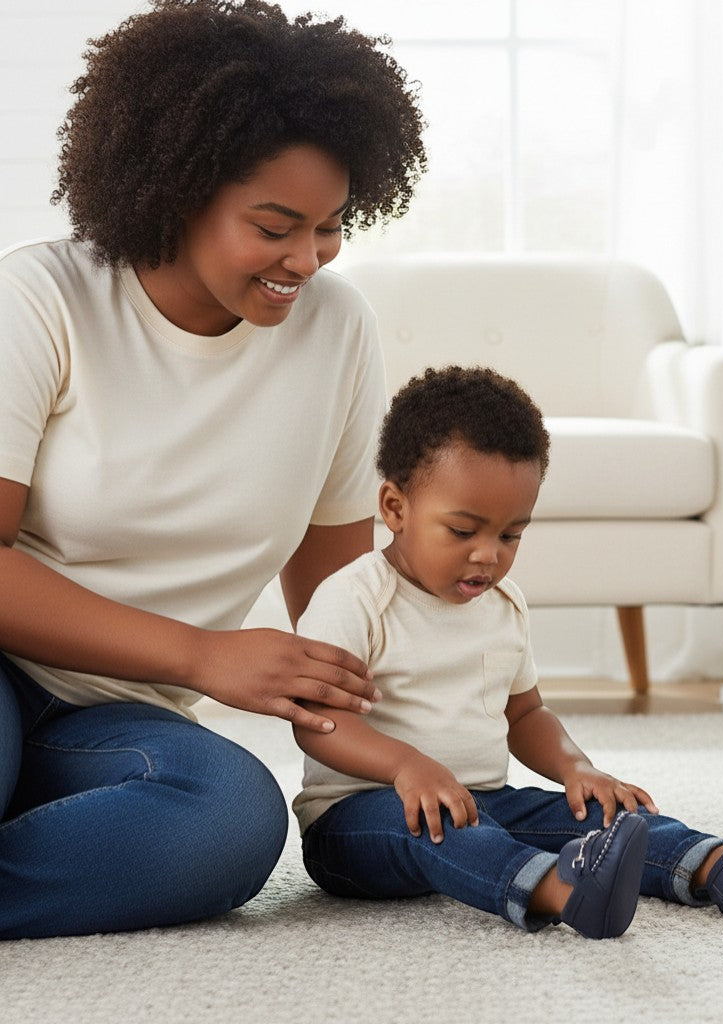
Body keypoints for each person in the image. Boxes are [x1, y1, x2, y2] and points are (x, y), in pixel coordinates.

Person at [0, 0, 427, 940]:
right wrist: (203, 655)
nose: (305, 260)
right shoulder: (41, 297)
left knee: (230, 819)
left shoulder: (336, 330)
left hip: (115, 721)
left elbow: (338, 596)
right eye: (275, 226)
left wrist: (409, 756)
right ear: (178, 190)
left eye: (331, 226)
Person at [292, 366, 723, 939]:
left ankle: (717, 865)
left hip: (485, 801)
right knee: (443, 829)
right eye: (463, 531)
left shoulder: (504, 604)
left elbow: (525, 714)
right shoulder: (355, 598)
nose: (489, 555)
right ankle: (566, 892)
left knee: (593, 815)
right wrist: (407, 767)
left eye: (510, 535)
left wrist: (577, 768)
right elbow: (318, 723)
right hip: (360, 819)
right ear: (395, 508)